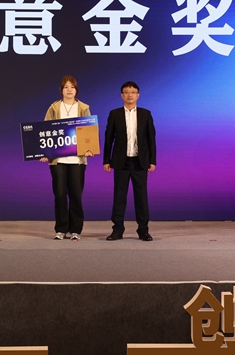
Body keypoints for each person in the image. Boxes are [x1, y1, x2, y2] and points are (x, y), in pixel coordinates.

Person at [103, 81, 156, 241]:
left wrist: (152, 160)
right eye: (126, 92)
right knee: (119, 197)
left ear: (138, 95)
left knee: (141, 198)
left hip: (140, 162)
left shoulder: (145, 114)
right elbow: (108, 138)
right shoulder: (115, 114)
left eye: (133, 92)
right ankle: (117, 230)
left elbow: (151, 139)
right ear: (122, 95)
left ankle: (143, 230)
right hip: (121, 162)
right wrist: (106, 160)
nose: (130, 95)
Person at [41, 75, 92, 241]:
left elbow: (89, 130)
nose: (69, 90)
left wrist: (89, 148)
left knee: (76, 194)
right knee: (60, 194)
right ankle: (61, 229)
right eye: (66, 87)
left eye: (72, 87)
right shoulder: (54, 108)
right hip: (58, 160)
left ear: (76, 90)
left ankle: (76, 229)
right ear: (61, 90)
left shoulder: (83, 107)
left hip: (77, 159)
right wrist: (44, 152)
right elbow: (45, 130)